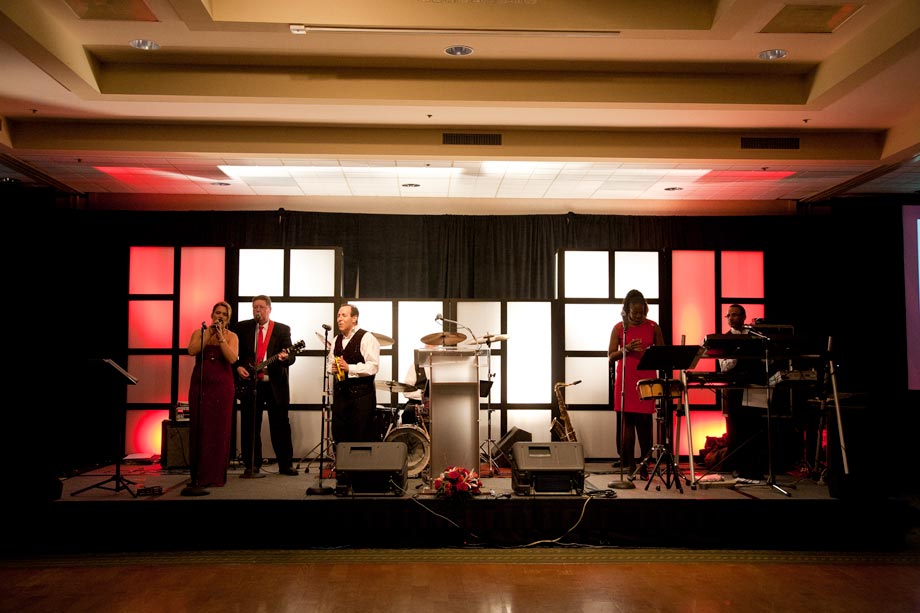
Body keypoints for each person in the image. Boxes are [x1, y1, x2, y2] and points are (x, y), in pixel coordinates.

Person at [234, 295, 298, 477]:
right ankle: (252, 465)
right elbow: (233, 353)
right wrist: (238, 367)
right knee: (250, 425)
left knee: (280, 425)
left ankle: (285, 465)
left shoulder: (282, 329)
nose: (258, 310)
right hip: (251, 383)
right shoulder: (242, 328)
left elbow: (291, 355)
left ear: (269, 309)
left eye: (262, 307)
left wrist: (287, 357)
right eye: (255, 307)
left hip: (274, 384)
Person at [607, 289, 665, 480]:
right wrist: (626, 349)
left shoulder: (653, 327)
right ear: (627, 311)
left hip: (647, 378)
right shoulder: (618, 328)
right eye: (635, 313)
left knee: (645, 424)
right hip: (626, 379)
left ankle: (645, 464)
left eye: (642, 313)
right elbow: (610, 357)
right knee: (628, 424)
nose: (639, 316)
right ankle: (630, 464)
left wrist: (652, 352)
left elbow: (663, 353)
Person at [186, 301, 239, 490]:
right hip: (201, 386)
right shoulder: (200, 333)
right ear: (211, 314)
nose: (221, 316)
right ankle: (198, 475)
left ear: (229, 318)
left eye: (225, 314)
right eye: (218, 313)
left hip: (222, 387)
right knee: (200, 428)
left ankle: (215, 475)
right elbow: (191, 350)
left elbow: (232, 358)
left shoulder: (232, 336)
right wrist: (209, 333)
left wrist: (221, 338)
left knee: (219, 429)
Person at [718, 304, 766, 483]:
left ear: (744, 317)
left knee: (754, 426)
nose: (730, 318)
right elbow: (724, 366)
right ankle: (738, 466)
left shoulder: (755, 337)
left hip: (755, 385)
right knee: (736, 428)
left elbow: (762, 361)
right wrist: (738, 352)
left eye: (735, 315)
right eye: (728, 315)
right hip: (735, 388)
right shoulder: (725, 339)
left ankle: (755, 467)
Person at [329, 303, 381, 444]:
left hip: (361, 397)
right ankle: (341, 465)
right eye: (338, 315)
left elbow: (373, 366)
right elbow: (330, 361)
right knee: (340, 435)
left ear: (354, 318)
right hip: (341, 396)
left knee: (360, 436)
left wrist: (349, 368)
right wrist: (332, 368)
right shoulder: (336, 340)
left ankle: (360, 466)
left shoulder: (366, 337)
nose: (339, 319)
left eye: (344, 315)